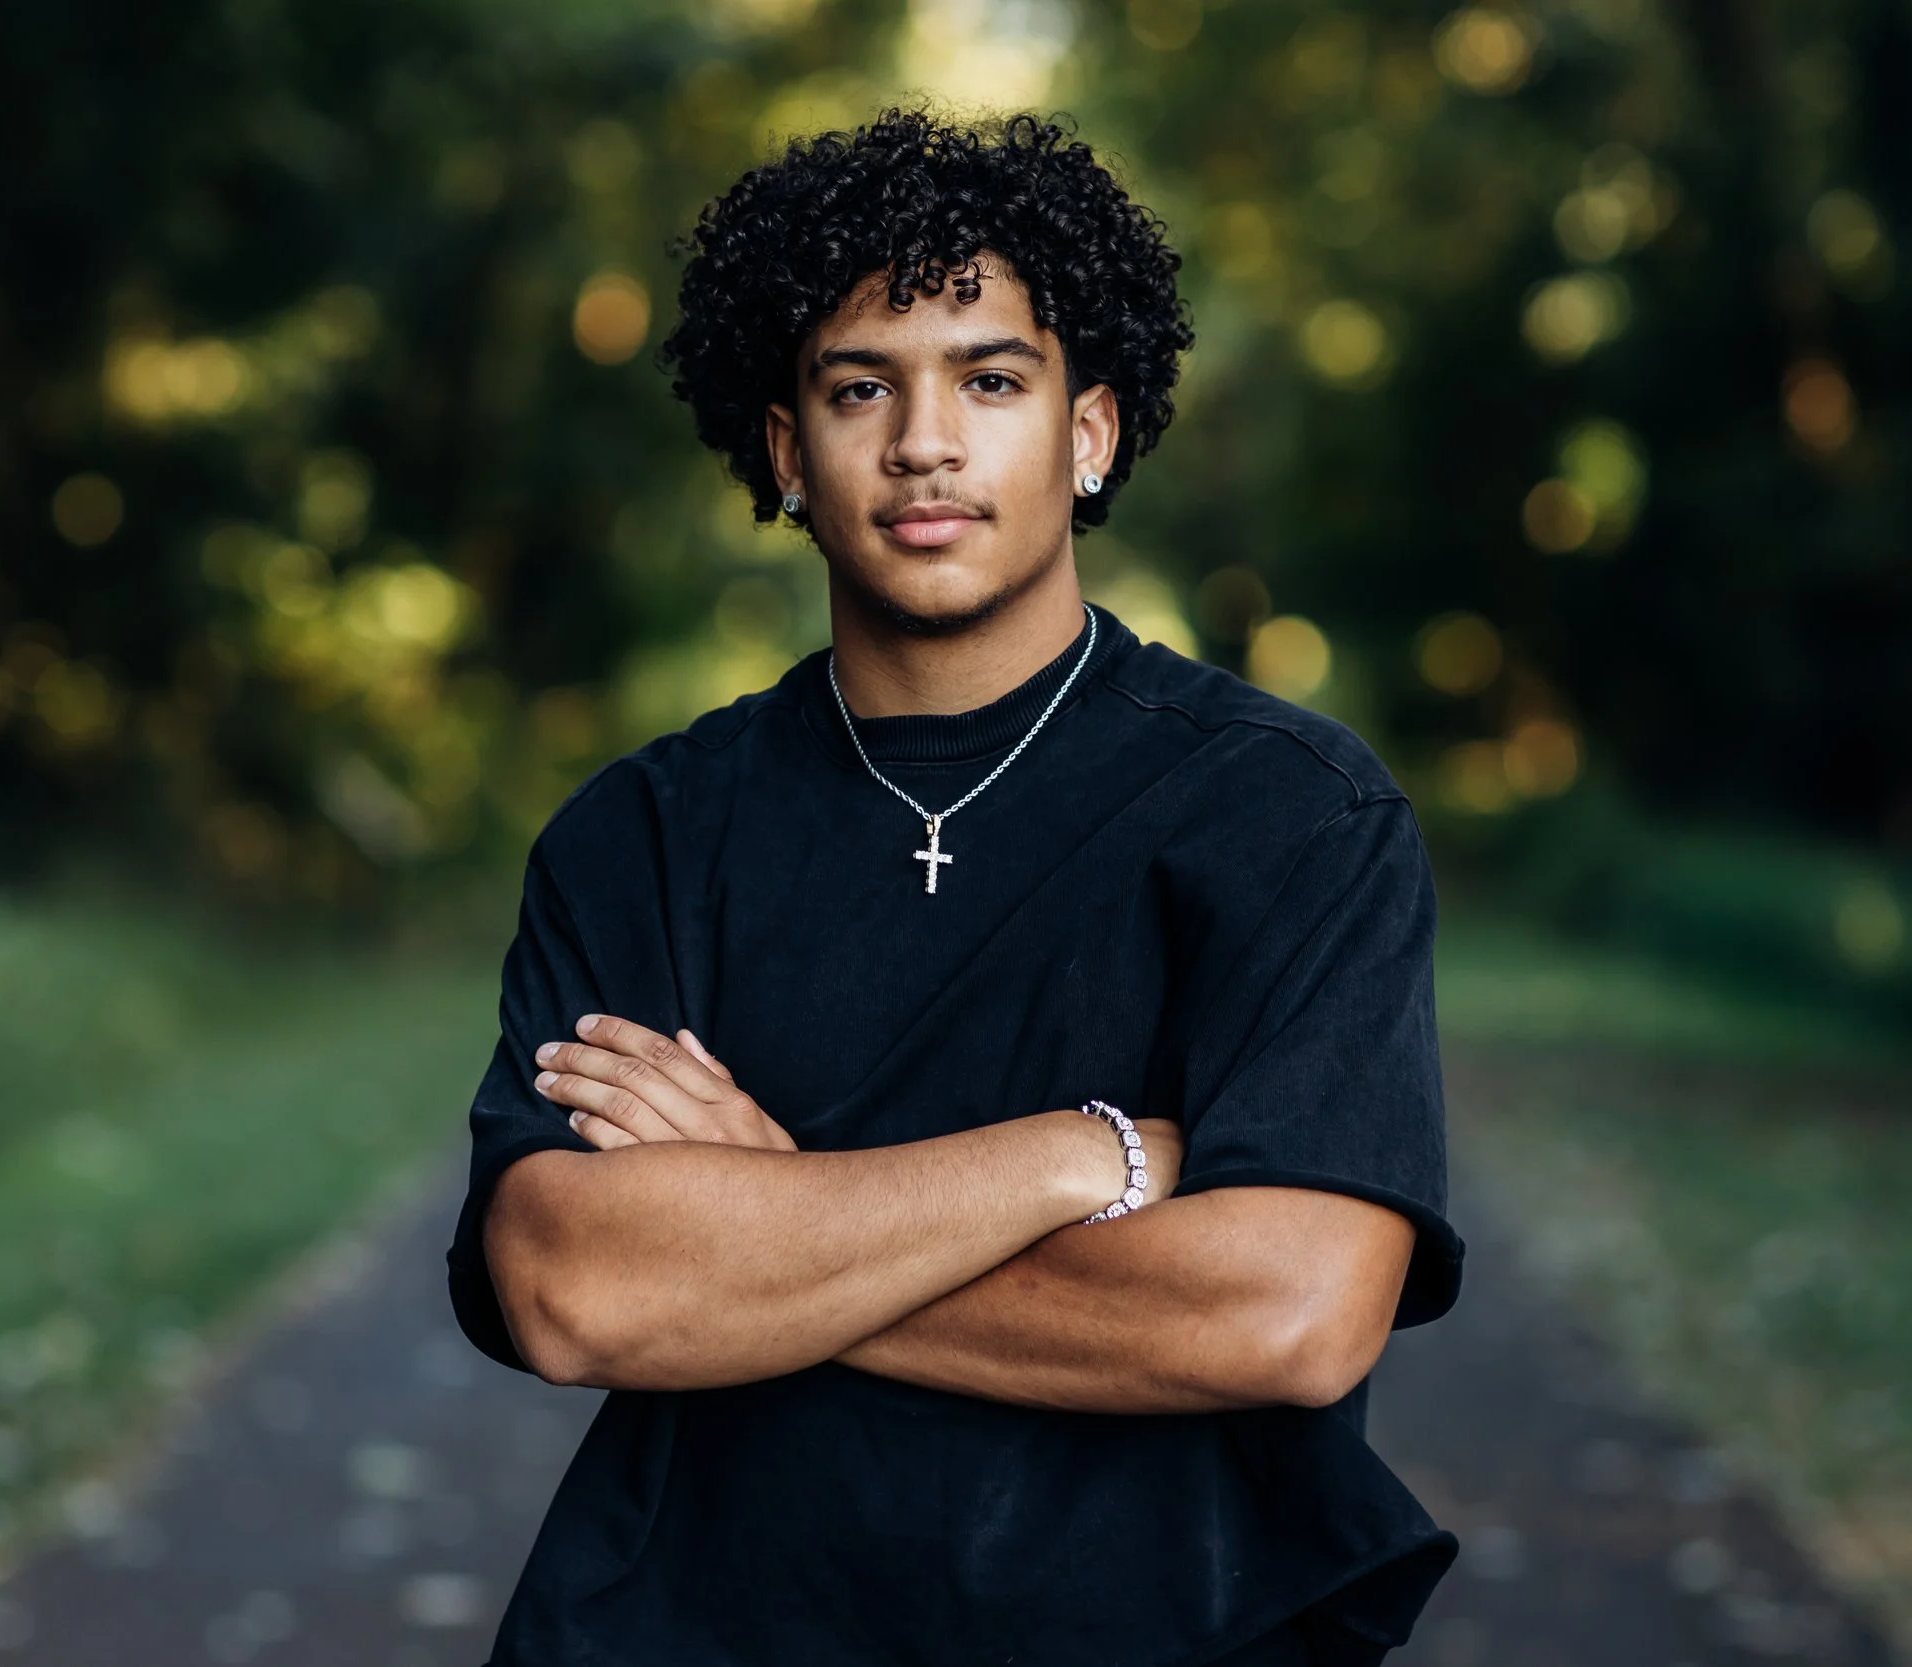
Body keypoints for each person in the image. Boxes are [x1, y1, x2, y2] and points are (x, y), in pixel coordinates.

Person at [446, 108, 1463, 1666]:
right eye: (862, 387)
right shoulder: (639, 831)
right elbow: (575, 1289)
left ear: (1091, 432)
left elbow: (1290, 1311)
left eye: (993, 379)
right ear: (788, 453)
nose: (925, 439)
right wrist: (1087, 1152)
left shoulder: (1293, 815)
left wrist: (758, 1222)